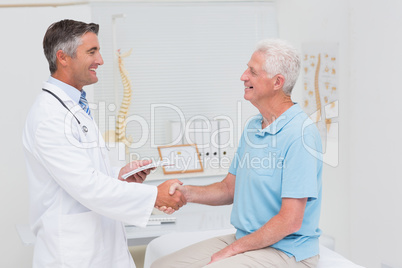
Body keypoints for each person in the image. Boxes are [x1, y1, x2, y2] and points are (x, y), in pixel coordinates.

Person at [22, 19, 186, 268]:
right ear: (63, 57)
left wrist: (118, 176)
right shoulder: (49, 117)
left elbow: (83, 174)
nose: (100, 60)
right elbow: (87, 186)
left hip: (99, 248)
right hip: (74, 255)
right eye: (92, 52)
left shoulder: (75, 106)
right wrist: (154, 195)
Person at [153, 39, 323, 268]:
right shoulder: (255, 127)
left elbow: (290, 221)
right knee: (162, 266)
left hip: (287, 251)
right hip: (248, 240)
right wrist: (185, 193)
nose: (243, 76)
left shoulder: (300, 135)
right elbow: (229, 188)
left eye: (252, 71)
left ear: (277, 82)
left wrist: (232, 251)